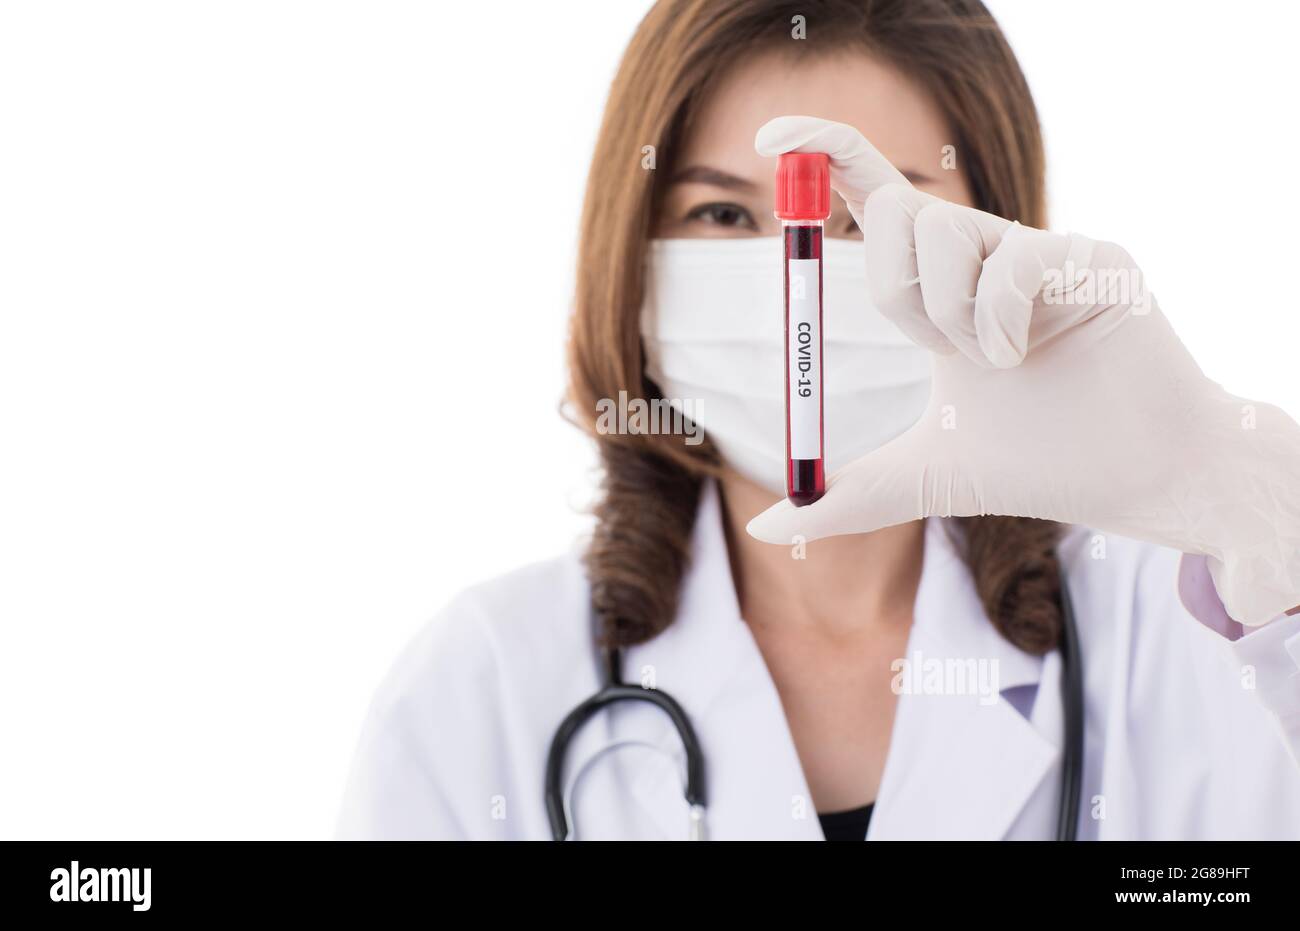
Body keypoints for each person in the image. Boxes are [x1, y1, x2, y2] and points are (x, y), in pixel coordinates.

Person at [335, 0, 1300, 840]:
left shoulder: (1192, 652)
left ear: (997, 239)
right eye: (718, 215)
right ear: (629, 253)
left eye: (870, 221)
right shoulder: (481, 692)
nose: (788, 277)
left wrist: (1244, 493)